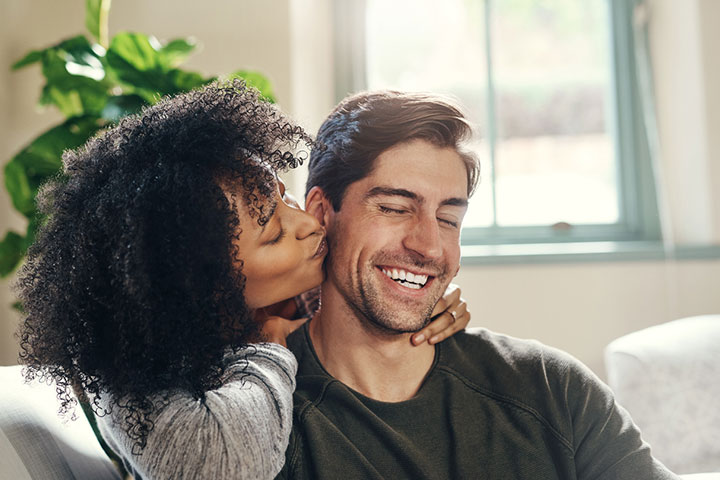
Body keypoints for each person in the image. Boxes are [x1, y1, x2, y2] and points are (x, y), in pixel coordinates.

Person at [14, 81, 469, 479]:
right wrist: (268, 346)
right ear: (205, 287)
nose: (309, 223)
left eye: (284, 197)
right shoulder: (136, 367)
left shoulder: (276, 297)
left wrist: (411, 294)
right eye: (273, 234)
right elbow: (220, 468)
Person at [276, 90, 679, 479]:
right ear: (320, 212)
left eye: (449, 219)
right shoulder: (266, 415)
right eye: (395, 209)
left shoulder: (550, 387)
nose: (430, 247)